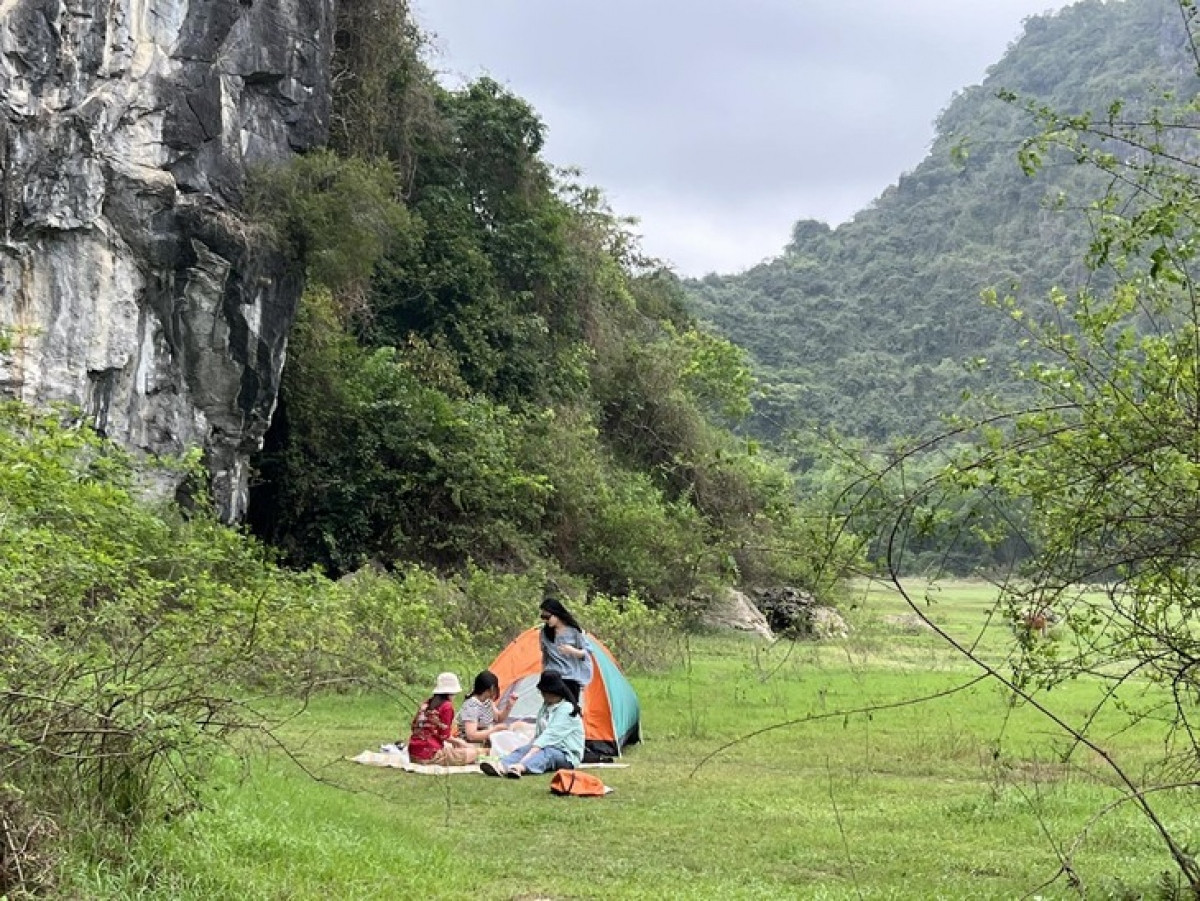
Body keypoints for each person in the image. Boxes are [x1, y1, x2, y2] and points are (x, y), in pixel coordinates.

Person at [480, 672, 584, 778]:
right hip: (544, 746)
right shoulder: (545, 708)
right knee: (524, 749)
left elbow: (549, 736)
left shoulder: (567, 709)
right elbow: (539, 735)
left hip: (565, 754)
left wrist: (525, 759)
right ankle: (501, 765)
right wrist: (529, 748)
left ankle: (520, 768)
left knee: (548, 753)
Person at [405, 672, 478, 766]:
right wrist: (461, 742)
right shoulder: (447, 707)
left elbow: (414, 726)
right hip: (430, 755)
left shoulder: (426, 704)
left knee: (450, 747)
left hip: (413, 754)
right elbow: (445, 735)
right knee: (473, 753)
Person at [538, 596, 593, 706]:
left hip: (570, 677)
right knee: (551, 708)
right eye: (543, 617)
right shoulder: (544, 633)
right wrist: (543, 674)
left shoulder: (574, 632)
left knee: (570, 709)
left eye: (547, 617)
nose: (545, 620)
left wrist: (572, 651)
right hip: (552, 676)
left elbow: (587, 652)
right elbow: (545, 657)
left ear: (556, 614)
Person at [457, 670, 517, 746]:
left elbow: (498, 718)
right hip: (471, 744)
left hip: (487, 740)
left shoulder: (487, 701)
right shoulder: (471, 706)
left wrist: (509, 706)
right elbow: (471, 736)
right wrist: (494, 730)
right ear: (486, 689)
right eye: (493, 689)